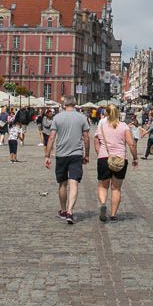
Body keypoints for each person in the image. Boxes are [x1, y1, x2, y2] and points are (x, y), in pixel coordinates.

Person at [45, 96, 90, 225]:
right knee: (74, 183)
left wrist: (47, 155)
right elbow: (86, 138)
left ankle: (63, 210)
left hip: (61, 154)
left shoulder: (57, 118)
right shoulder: (82, 118)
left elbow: (52, 137)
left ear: (64, 104)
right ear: (75, 104)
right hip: (76, 154)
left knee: (62, 183)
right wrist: (87, 154)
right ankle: (70, 211)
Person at [94, 104, 137, 222]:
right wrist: (135, 158)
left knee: (103, 186)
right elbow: (131, 144)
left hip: (104, 158)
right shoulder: (123, 126)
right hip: (120, 159)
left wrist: (99, 153)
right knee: (116, 188)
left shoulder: (101, 124)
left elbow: (96, 141)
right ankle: (113, 215)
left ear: (106, 112)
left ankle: (103, 203)